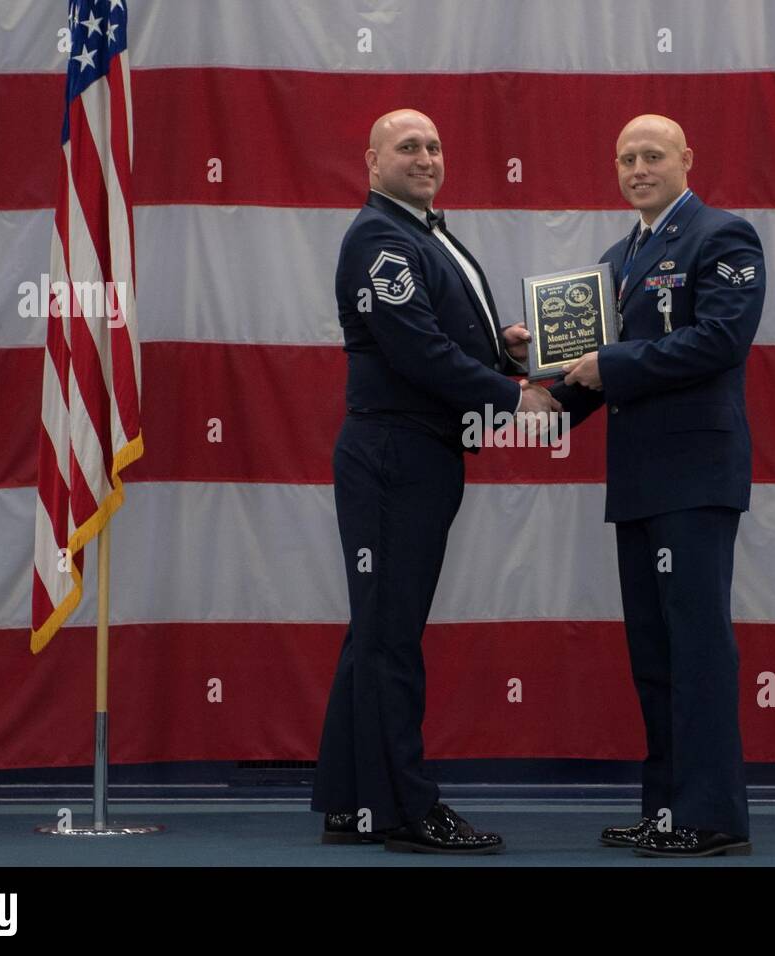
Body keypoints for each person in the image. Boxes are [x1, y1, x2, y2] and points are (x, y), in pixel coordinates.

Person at [312, 108, 560, 854]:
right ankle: (409, 810)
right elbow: (414, 349)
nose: (424, 156)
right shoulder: (382, 238)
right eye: (407, 146)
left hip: (415, 454)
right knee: (390, 640)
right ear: (371, 160)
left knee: (378, 630)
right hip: (395, 455)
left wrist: (501, 348)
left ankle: (352, 802)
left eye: (433, 144)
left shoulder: (422, 232)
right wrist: (515, 395)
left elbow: (434, 334)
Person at [553, 114, 766, 857]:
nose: (638, 168)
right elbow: (585, 373)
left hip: (693, 478)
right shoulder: (618, 256)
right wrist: (523, 385)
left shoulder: (724, 236)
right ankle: (668, 811)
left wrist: (608, 366)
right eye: (626, 158)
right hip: (639, 483)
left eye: (653, 155)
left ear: (686, 160)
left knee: (698, 650)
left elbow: (720, 339)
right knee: (656, 655)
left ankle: (711, 816)